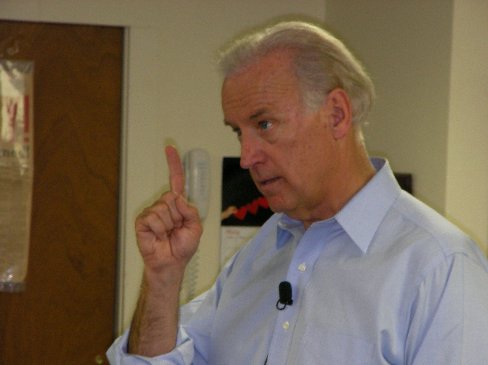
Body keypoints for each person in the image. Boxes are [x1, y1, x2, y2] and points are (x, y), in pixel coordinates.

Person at [107, 20, 488, 364]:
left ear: (336, 114)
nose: (246, 157)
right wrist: (162, 277)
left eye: (265, 123)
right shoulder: (256, 257)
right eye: (239, 132)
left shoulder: (440, 267)